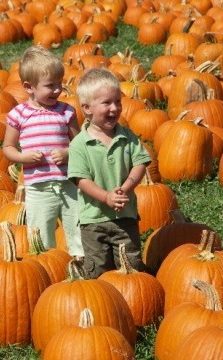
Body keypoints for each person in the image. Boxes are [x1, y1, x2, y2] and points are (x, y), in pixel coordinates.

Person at [68, 67, 152, 278]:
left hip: (125, 217)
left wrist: (125, 188)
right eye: (107, 103)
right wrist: (105, 197)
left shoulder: (126, 136)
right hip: (93, 221)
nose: (114, 108)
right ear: (87, 108)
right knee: (97, 268)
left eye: (118, 101)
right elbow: (81, 179)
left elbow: (140, 163)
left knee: (130, 267)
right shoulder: (79, 144)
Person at [2, 45, 84, 258]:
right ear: (29, 87)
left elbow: (80, 142)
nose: (58, 90)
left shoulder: (66, 111)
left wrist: (67, 153)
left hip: (68, 183)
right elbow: (8, 148)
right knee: (40, 230)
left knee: (76, 226)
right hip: (38, 186)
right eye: (50, 86)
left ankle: (81, 261)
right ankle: (46, 265)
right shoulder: (18, 115)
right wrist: (23, 158)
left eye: (60, 84)